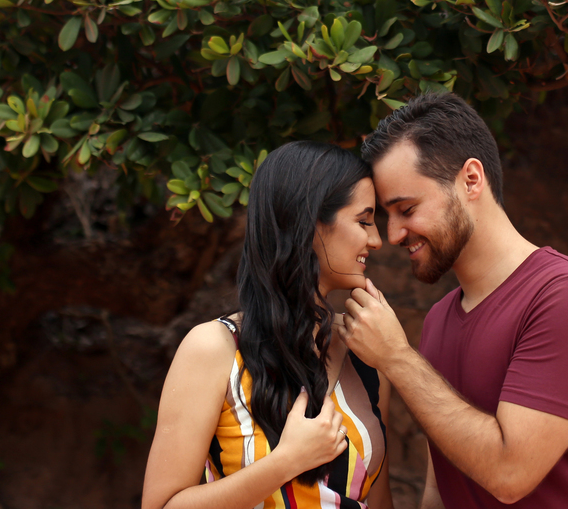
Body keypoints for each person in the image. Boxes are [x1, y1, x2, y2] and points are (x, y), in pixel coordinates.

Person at [335, 92, 568, 509]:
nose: (393, 235)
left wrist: (397, 359)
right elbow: (439, 490)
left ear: (471, 180)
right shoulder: (439, 319)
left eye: (407, 208)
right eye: (388, 216)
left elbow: (510, 474)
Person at [142, 141, 395, 509]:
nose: (376, 240)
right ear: (310, 224)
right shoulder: (213, 349)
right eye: (363, 221)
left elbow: (379, 500)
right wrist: (285, 462)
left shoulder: (366, 352)